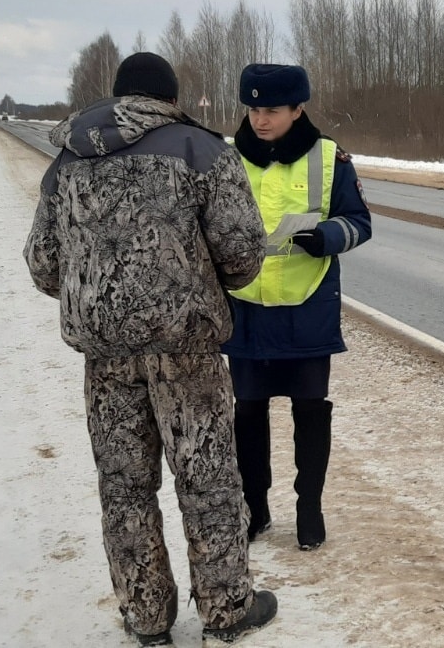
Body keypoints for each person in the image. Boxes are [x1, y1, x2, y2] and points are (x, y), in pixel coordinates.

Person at [23, 52, 279, 646]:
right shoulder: (201, 150)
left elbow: (43, 264)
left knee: (124, 485)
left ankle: (144, 615)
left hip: (106, 359)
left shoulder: (66, 160)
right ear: (168, 97)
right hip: (187, 352)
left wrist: (103, 293)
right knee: (208, 479)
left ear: (116, 97)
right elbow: (242, 254)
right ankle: (226, 610)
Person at [222, 63, 372, 551]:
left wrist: (327, 236)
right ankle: (255, 507)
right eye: (254, 108)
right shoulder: (225, 159)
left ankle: (310, 508)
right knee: (248, 413)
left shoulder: (331, 159)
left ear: (297, 109)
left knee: (311, 411)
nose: (260, 119)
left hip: (306, 308)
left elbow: (359, 221)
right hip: (245, 306)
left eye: (271, 110)